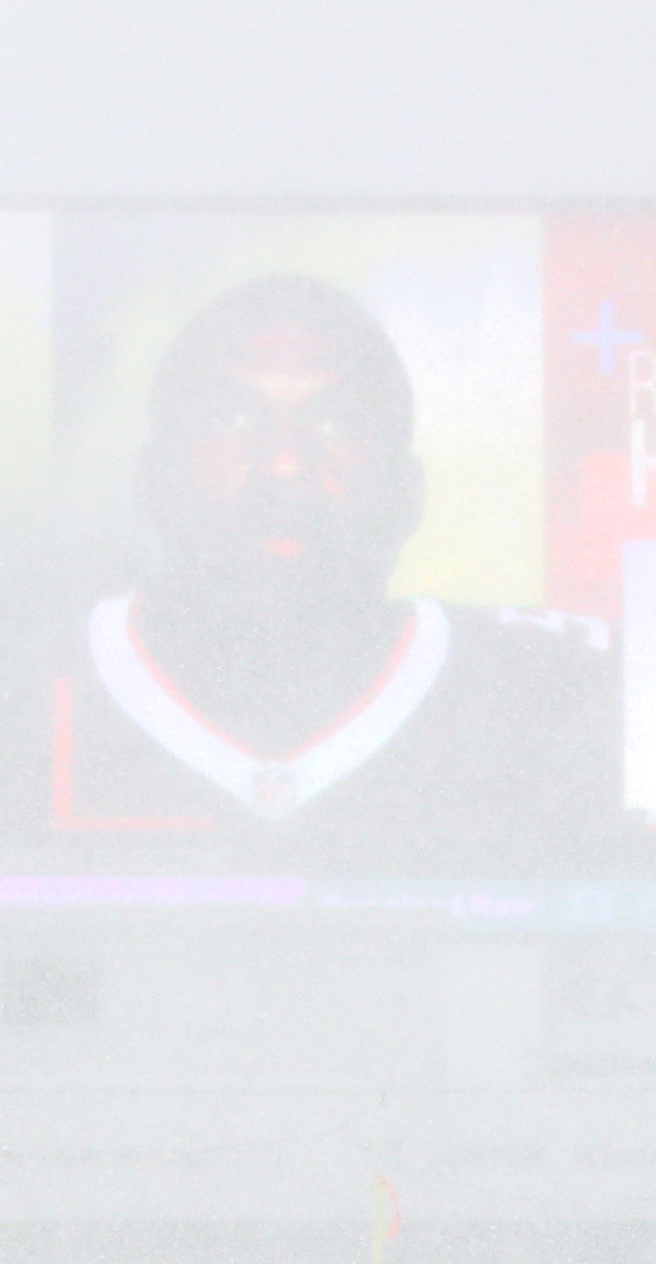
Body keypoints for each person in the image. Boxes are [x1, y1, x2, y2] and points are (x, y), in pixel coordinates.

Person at [46, 273, 613, 859]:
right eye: (228, 421)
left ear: (407, 494)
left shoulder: (547, 694)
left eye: (339, 424)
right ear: (151, 483)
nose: (285, 464)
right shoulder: (28, 685)